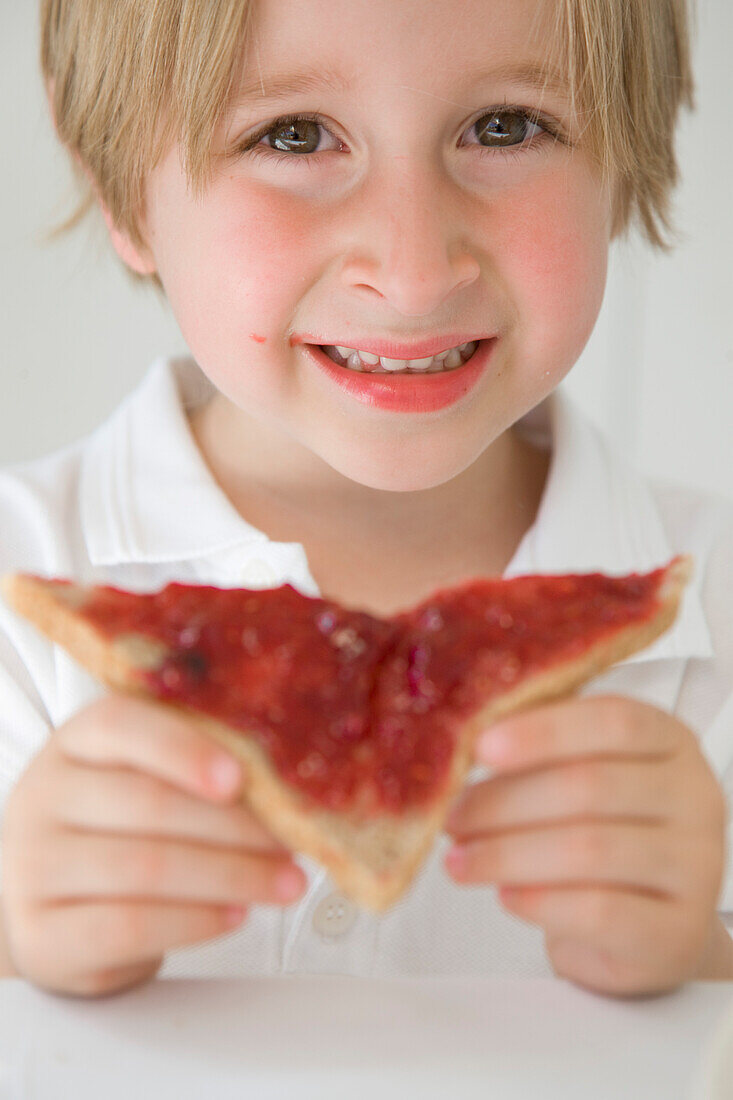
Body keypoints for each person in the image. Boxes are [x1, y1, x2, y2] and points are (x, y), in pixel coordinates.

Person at [0, 0, 731, 1001]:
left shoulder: (712, 602)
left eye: (505, 126)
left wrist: (698, 957)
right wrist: (15, 933)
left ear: (627, 153)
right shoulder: (20, 586)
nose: (415, 266)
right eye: (293, 135)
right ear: (121, 187)